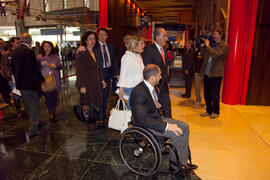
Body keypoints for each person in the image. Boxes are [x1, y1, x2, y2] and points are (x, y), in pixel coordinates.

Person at [130, 64, 197, 176]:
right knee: (176, 132)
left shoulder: (151, 88)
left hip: (156, 118)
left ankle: (183, 162)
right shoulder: (139, 92)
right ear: (152, 78)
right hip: (145, 125)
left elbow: (156, 107)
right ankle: (175, 166)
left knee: (184, 126)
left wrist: (159, 107)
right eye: (159, 75)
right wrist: (166, 126)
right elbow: (142, 119)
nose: (161, 77)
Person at [12, 33, 45, 137]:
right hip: (30, 84)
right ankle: (33, 129)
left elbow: (13, 67)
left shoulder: (15, 51)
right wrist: (41, 80)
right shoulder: (29, 51)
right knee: (34, 106)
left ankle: (37, 122)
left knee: (28, 106)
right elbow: (33, 69)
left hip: (21, 84)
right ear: (30, 40)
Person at [75, 31, 106, 129]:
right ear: (86, 41)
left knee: (97, 103)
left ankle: (93, 120)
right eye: (90, 39)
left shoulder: (94, 52)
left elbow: (97, 68)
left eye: (94, 39)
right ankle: (90, 124)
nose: (92, 41)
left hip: (96, 84)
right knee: (87, 105)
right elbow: (79, 71)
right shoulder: (82, 53)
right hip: (86, 84)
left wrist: (102, 80)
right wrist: (81, 86)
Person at [142, 27, 172, 118]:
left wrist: (166, 79)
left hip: (164, 82)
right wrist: (154, 84)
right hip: (155, 83)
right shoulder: (149, 50)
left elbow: (165, 66)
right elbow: (148, 67)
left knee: (166, 103)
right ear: (157, 37)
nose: (167, 39)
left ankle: (169, 121)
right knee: (157, 106)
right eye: (164, 36)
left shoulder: (165, 50)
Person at [200, 29, 229, 119]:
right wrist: (203, 46)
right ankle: (208, 110)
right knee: (206, 93)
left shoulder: (224, 46)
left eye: (215, 34)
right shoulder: (212, 45)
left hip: (216, 74)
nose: (213, 36)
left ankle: (216, 111)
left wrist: (208, 46)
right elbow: (204, 55)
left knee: (214, 94)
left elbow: (216, 55)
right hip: (207, 72)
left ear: (220, 35)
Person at [95, 28, 119, 122]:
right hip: (99, 74)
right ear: (98, 36)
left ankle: (103, 114)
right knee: (99, 95)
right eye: (100, 34)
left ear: (107, 37)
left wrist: (117, 73)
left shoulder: (110, 46)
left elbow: (114, 60)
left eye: (104, 35)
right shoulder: (95, 47)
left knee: (106, 95)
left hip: (108, 73)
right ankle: (99, 116)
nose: (102, 36)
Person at [117, 36, 145, 109]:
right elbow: (123, 74)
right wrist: (121, 89)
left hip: (139, 88)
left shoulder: (138, 56)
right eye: (142, 43)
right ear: (135, 44)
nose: (144, 45)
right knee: (131, 113)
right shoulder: (127, 57)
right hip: (130, 89)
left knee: (138, 112)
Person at [37, 41, 61, 122]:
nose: (46, 48)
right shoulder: (39, 57)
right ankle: (50, 111)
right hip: (44, 79)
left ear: (51, 48)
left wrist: (55, 66)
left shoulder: (55, 57)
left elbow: (60, 66)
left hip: (54, 79)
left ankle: (53, 108)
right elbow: (35, 68)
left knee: (54, 95)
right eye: (45, 46)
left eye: (48, 46)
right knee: (48, 95)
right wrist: (40, 64)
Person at [1, 37, 22, 118]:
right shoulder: (8, 54)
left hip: (21, 76)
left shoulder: (21, 52)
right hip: (12, 77)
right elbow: (3, 66)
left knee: (23, 93)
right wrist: (8, 76)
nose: (19, 45)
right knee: (15, 93)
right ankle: (18, 111)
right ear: (12, 43)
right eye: (17, 43)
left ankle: (25, 109)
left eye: (20, 43)